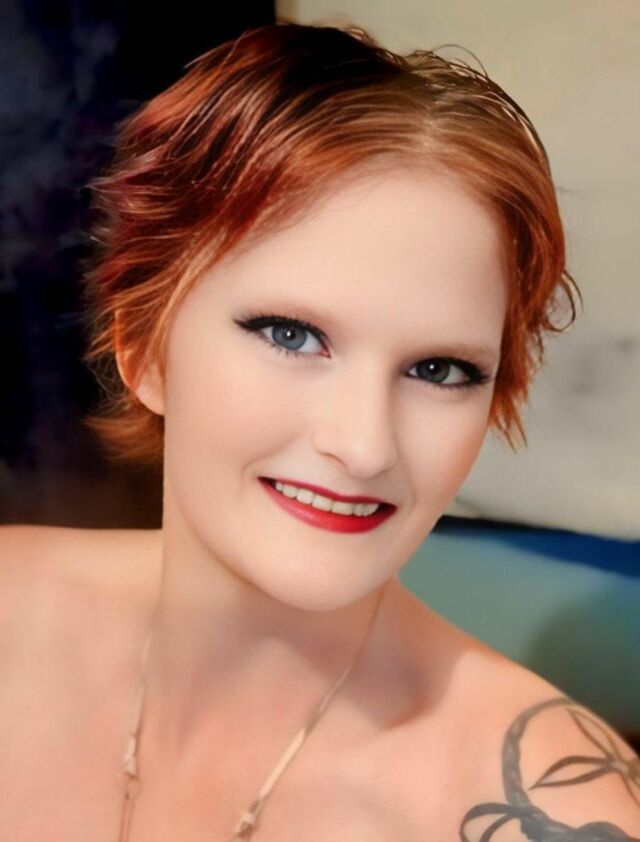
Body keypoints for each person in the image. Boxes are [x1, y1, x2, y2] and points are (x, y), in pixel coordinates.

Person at [0, 21, 638, 842]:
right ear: (143, 349)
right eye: (291, 335)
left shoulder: (555, 808)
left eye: (439, 370)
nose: (365, 446)